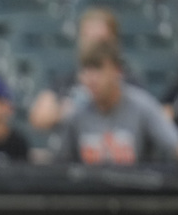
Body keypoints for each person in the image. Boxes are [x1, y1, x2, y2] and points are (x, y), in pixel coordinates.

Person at [53, 40, 178, 165]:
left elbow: (176, 147)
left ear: (117, 71)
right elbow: (62, 166)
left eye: (98, 68)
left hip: (133, 183)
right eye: (86, 70)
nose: (91, 78)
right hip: (92, 184)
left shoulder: (141, 106)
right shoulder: (76, 113)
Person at [28, 6, 121, 134]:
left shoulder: (126, 82)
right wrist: (65, 111)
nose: (93, 45)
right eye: (87, 38)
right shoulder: (67, 80)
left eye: (99, 39)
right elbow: (39, 117)